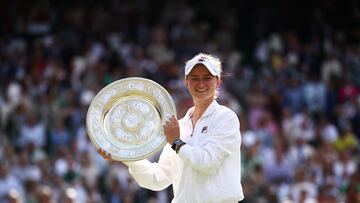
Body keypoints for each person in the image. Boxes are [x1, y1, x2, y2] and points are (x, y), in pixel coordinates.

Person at [99, 53, 244, 202]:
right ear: (187, 82)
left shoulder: (225, 118)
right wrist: (125, 154)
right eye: (194, 78)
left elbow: (208, 162)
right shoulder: (179, 126)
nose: (201, 83)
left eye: (207, 78)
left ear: (218, 82)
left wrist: (176, 142)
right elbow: (157, 179)